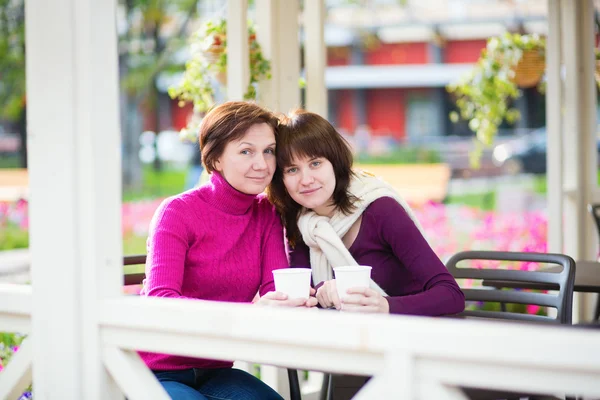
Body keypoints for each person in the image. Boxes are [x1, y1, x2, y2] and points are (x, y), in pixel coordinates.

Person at [267, 109, 465, 399]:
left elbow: (451, 295)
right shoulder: (303, 226)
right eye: (292, 169)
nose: (306, 179)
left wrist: (384, 306)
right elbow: (310, 293)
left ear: (334, 162)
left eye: (315, 163)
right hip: (363, 355)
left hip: (426, 356)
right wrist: (322, 291)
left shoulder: (380, 210)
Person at [140, 101, 316, 400]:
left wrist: (297, 299)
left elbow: (276, 288)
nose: (262, 165)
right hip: (157, 369)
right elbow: (161, 300)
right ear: (216, 159)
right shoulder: (178, 212)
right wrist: (250, 313)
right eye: (246, 151)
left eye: (269, 151)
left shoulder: (265, 213)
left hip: (216, 368)